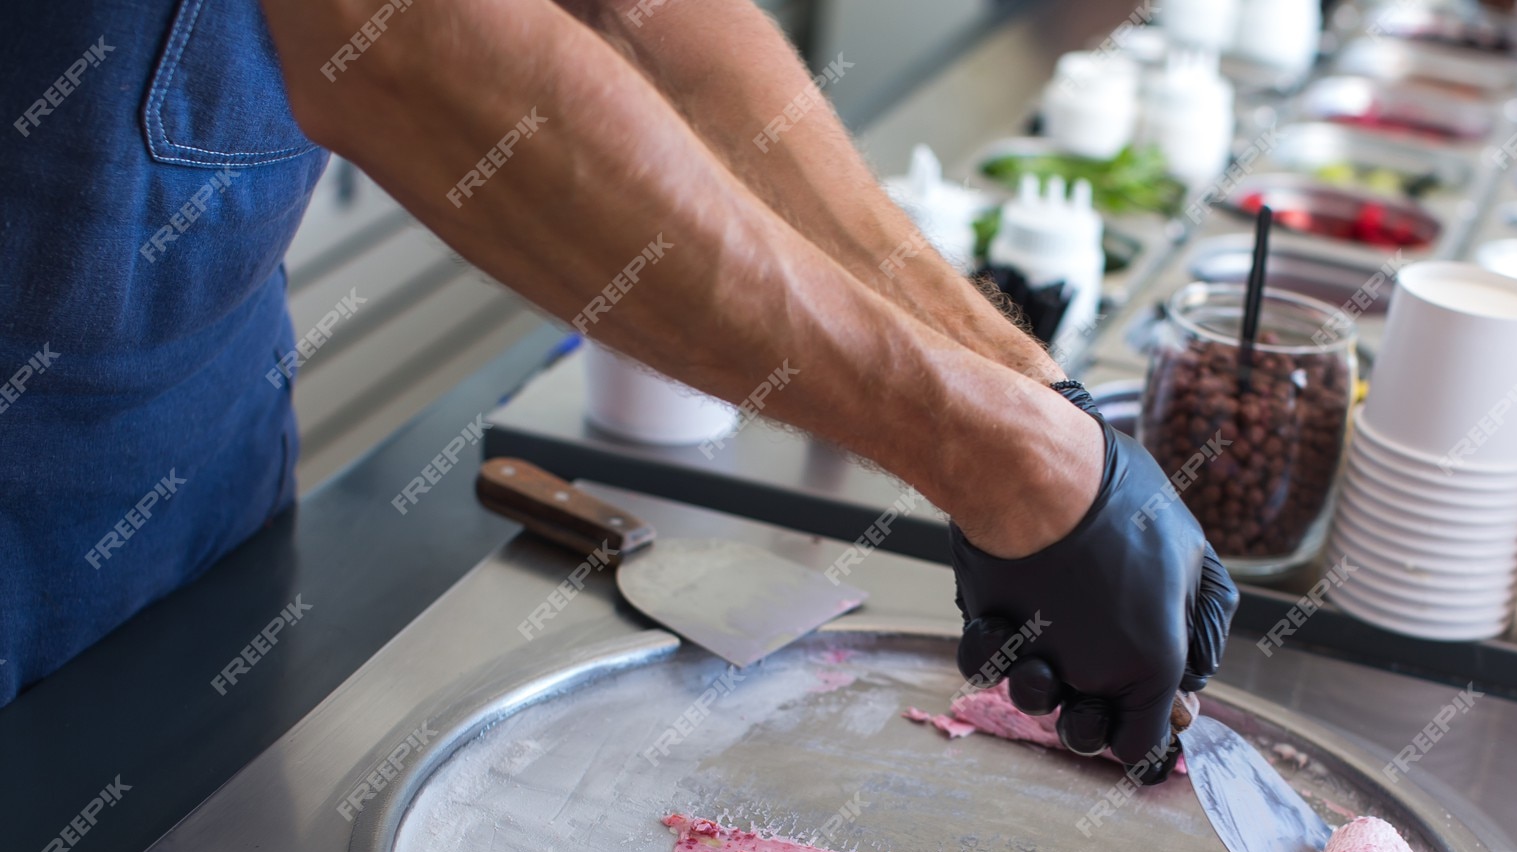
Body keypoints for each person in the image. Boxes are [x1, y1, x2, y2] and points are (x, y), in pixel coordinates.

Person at [0, 0, 1235, 778]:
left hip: (193, 471)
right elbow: (401, 43)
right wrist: (998, 457)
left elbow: (654, 23)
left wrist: (1041, 410)